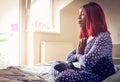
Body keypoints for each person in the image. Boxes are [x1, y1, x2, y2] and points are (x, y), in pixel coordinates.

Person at [51, 2, 115, 82]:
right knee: (55, 64)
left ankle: (64, 75)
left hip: (100, 75)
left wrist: (78, 55)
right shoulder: (87, 38)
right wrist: (78, 55)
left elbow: (87, 62)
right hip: (85, 72)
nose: (78, 17)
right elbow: (68, 57)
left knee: (64, 76)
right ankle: (65, 73)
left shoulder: (104, 37)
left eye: (82, 14)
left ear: (92, 17)